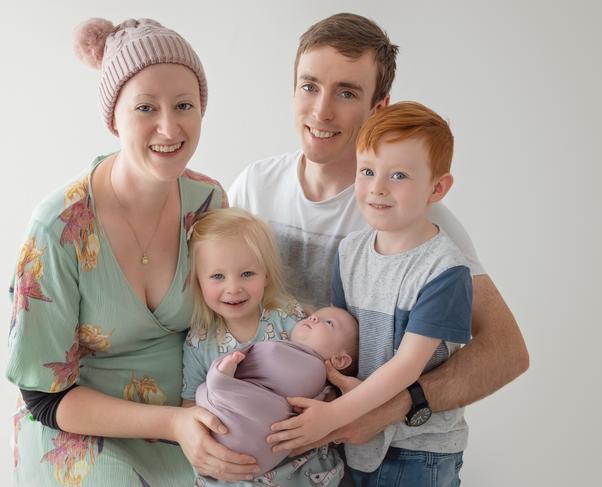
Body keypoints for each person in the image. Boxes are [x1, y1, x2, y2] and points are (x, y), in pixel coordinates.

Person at [229, 11, 528, 483]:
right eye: (309, 86)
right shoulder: (253, 188)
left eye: (346, 93)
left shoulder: (415, 218)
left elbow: (507, 352)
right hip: (282, 444)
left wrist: (394, 406)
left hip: (376, 448)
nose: (321, 111)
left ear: (379, 107)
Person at [6, 18, 261, 486]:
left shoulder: (210, 203)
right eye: (146, 107)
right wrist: (173, 424)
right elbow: (44, 398)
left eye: (184, 105)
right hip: (82, 427)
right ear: (114, 118)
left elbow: (231, 322)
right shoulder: (57, 228)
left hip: (192, 415)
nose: (169, 126)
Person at [271, 101, 473, 484]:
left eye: (398, 175)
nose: (377, 188)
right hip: (354, 436)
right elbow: (343, 339)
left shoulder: (444, 269)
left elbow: (406, 366)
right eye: (367, 171)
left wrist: (333, 414)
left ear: (437, 187)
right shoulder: (350, 252)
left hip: (419, 449)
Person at [181, 208, 344, 486]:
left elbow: (318, 370)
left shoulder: (286, 318)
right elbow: (190, 405)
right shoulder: (200, 340)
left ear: (266, 275)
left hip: (298, 458)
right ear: (198, 280)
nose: (233, 288)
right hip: (240, 467)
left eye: (247, 273)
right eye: (217, 277)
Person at [197, 306, 358, 475]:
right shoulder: (292, 351)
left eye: (329, 322)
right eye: (314, 316)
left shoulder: (314, 369)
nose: (314, 318)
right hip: (241, 443)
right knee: (207, 390)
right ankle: (222, 386)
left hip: (251, 431)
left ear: (339, 360)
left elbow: (271, 363)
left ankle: (222, 384)